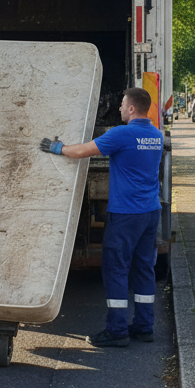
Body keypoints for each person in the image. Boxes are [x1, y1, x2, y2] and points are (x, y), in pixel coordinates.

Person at [41, 87, 163, 347]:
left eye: (121, 104)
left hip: (126, 213)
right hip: (151, 212)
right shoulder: (156, 135)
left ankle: (117, 331)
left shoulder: (122, 134)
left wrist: (57, 147)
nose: (118, 108)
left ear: (131, 108)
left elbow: (82, 151)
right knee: (143, 268)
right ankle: (144, 327)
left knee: (116, 269)